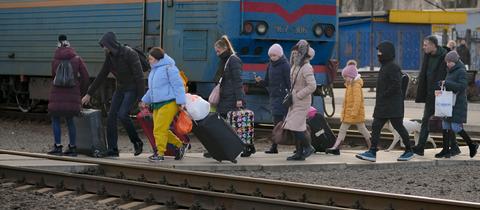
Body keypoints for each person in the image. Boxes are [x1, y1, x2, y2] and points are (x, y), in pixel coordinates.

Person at [81, 32, 145, 157]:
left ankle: (137, 142)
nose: (103, 48)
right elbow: (101, 75)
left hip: (132, 89)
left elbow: (139, 77)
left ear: (110, 44)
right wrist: (89, 94)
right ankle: (113, 149)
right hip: (120, 88)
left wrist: (141, 99)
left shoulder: (129, 54)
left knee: (122, 114)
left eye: (104, 45)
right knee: (111, 117)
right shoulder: (110, 57)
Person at [356, 41, 414, 162]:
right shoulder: (386, 66)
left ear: (387, 53)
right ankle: (372, 151)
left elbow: (396, 85)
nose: (378, 54)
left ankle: (409, 150)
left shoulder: (392, 67)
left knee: (398, 127)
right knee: (376, 126)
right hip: (385, 105)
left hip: (392, 105)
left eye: (380, 52)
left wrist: (383, 95)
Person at [413, 35, 460, 156]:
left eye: (426, 45)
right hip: (430, 94)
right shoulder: (427, 56)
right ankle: (420, 147)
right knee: (425, 120)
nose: (423, 47)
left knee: (445, 121)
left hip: (442, 94)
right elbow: (425, 73)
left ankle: (454, 147)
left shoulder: (446, 55)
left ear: (434, 45)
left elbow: (454, 72)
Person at [139, 47, 189, 162]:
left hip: (169, 103)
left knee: (159, 129)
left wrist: (181, 102)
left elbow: (178, 86)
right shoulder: (154, 70)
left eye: (151, 59)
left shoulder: (170, 68)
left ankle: (160, 154)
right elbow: (152, 89)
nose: (149, 61)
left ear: (157, 59)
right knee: (160, 129)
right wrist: (144, 100)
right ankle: (181, 145)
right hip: (158, 104)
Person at [47, 35, 90, 156]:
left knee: (55, 118)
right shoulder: (76, 58)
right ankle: (72, 147)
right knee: (70, 120)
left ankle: (57, 146)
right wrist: (80, 90)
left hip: (57, 95)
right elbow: (86, 77)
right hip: (72, 94)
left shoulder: (55, 60)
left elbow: (52, 76)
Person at [435, 51, 478, 158]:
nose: (447, 64)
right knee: (445, 126)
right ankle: (445, 150)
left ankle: (472, 145)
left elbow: (462, 86)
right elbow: (450, 84)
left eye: (449, 62)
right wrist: (443, 83)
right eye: (446, 62)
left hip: (457, 104)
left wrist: (447, 83)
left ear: (455, 61)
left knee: (455, 127)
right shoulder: (450, 70)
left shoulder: (461, 71)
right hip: (449, 103)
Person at [326, 61, 371, 155]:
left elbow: (357, 101)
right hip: (351, 113)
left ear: (351, 76)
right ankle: (372, 146)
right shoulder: (350, 85)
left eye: (346, 77)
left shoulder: (356, 86)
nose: (345, 79)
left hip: (353, 113)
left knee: (355, 129)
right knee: (359, 129)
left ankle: (336, 147)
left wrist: (353, 112)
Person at [283, 40, 316, 161]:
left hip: (302, 101)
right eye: (294, 52)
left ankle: (308, 147)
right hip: (295, 100)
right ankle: (299, 153)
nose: (294, 54)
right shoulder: (296, 65)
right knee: (297, 127)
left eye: (297, 52)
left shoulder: (306, 67)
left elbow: (312, 86)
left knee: (295, 125)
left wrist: (299, 95)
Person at [255, 43, 291, 154]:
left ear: (280, 55)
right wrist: (260, 82)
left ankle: (277, 146)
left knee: (283, 122)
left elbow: (289, 82)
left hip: (283, 97)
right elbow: (267, 82)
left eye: (274, 55)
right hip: (274, 97)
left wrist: (290, 95)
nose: (272, 57)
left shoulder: (285, 65)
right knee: (277, 122)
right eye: (270, 55)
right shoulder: (270, 65)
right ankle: (275, 146)